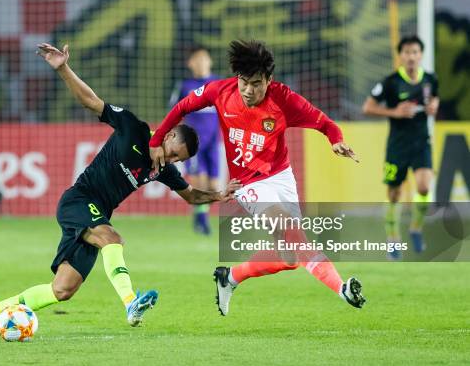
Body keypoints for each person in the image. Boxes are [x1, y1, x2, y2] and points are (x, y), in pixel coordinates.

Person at [0, 43, 241, 338]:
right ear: (168, 134)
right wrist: (64, 68)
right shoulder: (133, 128)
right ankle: (131, 304)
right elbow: (92, 102)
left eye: (177, 161)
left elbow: (190, 195)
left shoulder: (161, 169)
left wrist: (217, 195)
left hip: (94, 213)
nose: (170, 161)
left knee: (62, 289)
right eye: (173, 153)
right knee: (112, 238)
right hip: (79, 200)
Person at [149, 39, 366, 316]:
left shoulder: (283, 99)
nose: (248, 90)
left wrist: (336, 140)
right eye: (243, 82)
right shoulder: (220, 91)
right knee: (294, 234)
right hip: (247, 183)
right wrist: (157, 140)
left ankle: (230, 277)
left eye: (256, 83)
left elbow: (323, 122)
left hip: (280, 176)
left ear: (269, 80)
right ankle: (343, 288)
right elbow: (181, 107)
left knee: (289, 258)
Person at [362, 35, 439, 259]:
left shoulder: (431, 79)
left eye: (415, 52)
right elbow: (367, 107)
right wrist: (394, 112)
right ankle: (393, 238)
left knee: (424, 187)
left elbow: (434, 99)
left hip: (422, 142)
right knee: (394, 193)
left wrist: (435, 105)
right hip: (397, 145)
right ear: (401, 55)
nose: (411, 56)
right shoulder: (391, 82)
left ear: (420, 55)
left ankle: (415, 228)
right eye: (406, 52)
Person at [170, 46, 221, 235]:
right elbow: (173, 110)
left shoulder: (219, 83)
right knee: (199, 180)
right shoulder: (185, 86)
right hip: (193, 143)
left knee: (214, 185)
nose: (200, 62)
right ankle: (202, 222)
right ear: (190, 63)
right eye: (196, 59)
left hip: (214, 142)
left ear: (210, 61)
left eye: (204, 58)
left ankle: (200, 214)